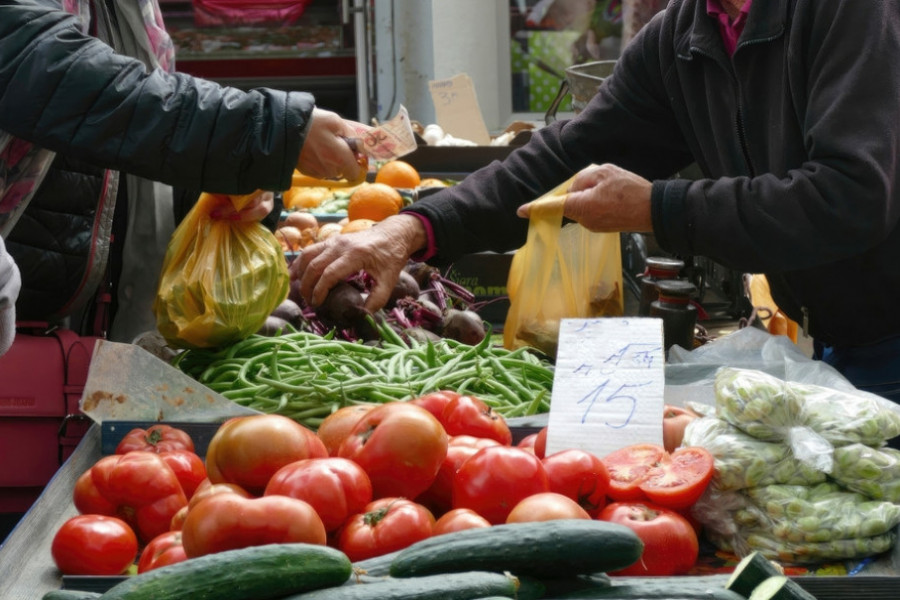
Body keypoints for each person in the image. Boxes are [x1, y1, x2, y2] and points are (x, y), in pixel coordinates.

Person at [293, 0, 900, 404]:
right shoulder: (685, 36)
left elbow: (849, 196)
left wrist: (657, 207)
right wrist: (408, 228)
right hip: (838, 335)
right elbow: (564, 158)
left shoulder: (851, 13)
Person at [0, 0, 367, 345]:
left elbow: (134, 140)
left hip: (97, 325)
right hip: (25, 325)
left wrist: (231, 178)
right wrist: (262, 133)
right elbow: (66, 79)